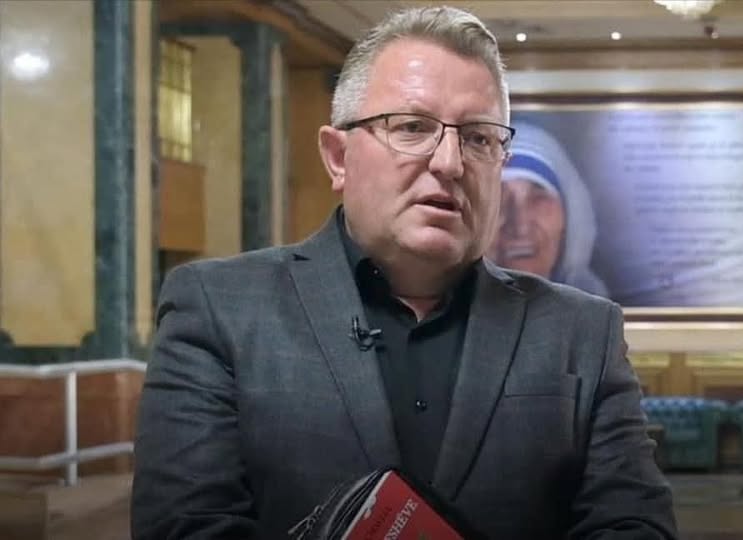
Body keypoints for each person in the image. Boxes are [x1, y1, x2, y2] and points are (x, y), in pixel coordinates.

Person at [131, 6, 677, 539]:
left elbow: (634, 525)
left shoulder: (582, 331)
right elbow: (186, 526)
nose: (449, 163)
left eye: (479, 137)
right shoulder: (218, 309)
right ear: (338, 156)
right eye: (413, 127)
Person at [489, 121, 609, 296]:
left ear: (570, 218)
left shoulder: (599, 309)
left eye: (538, 198)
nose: (520, 227)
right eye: (499, 200)